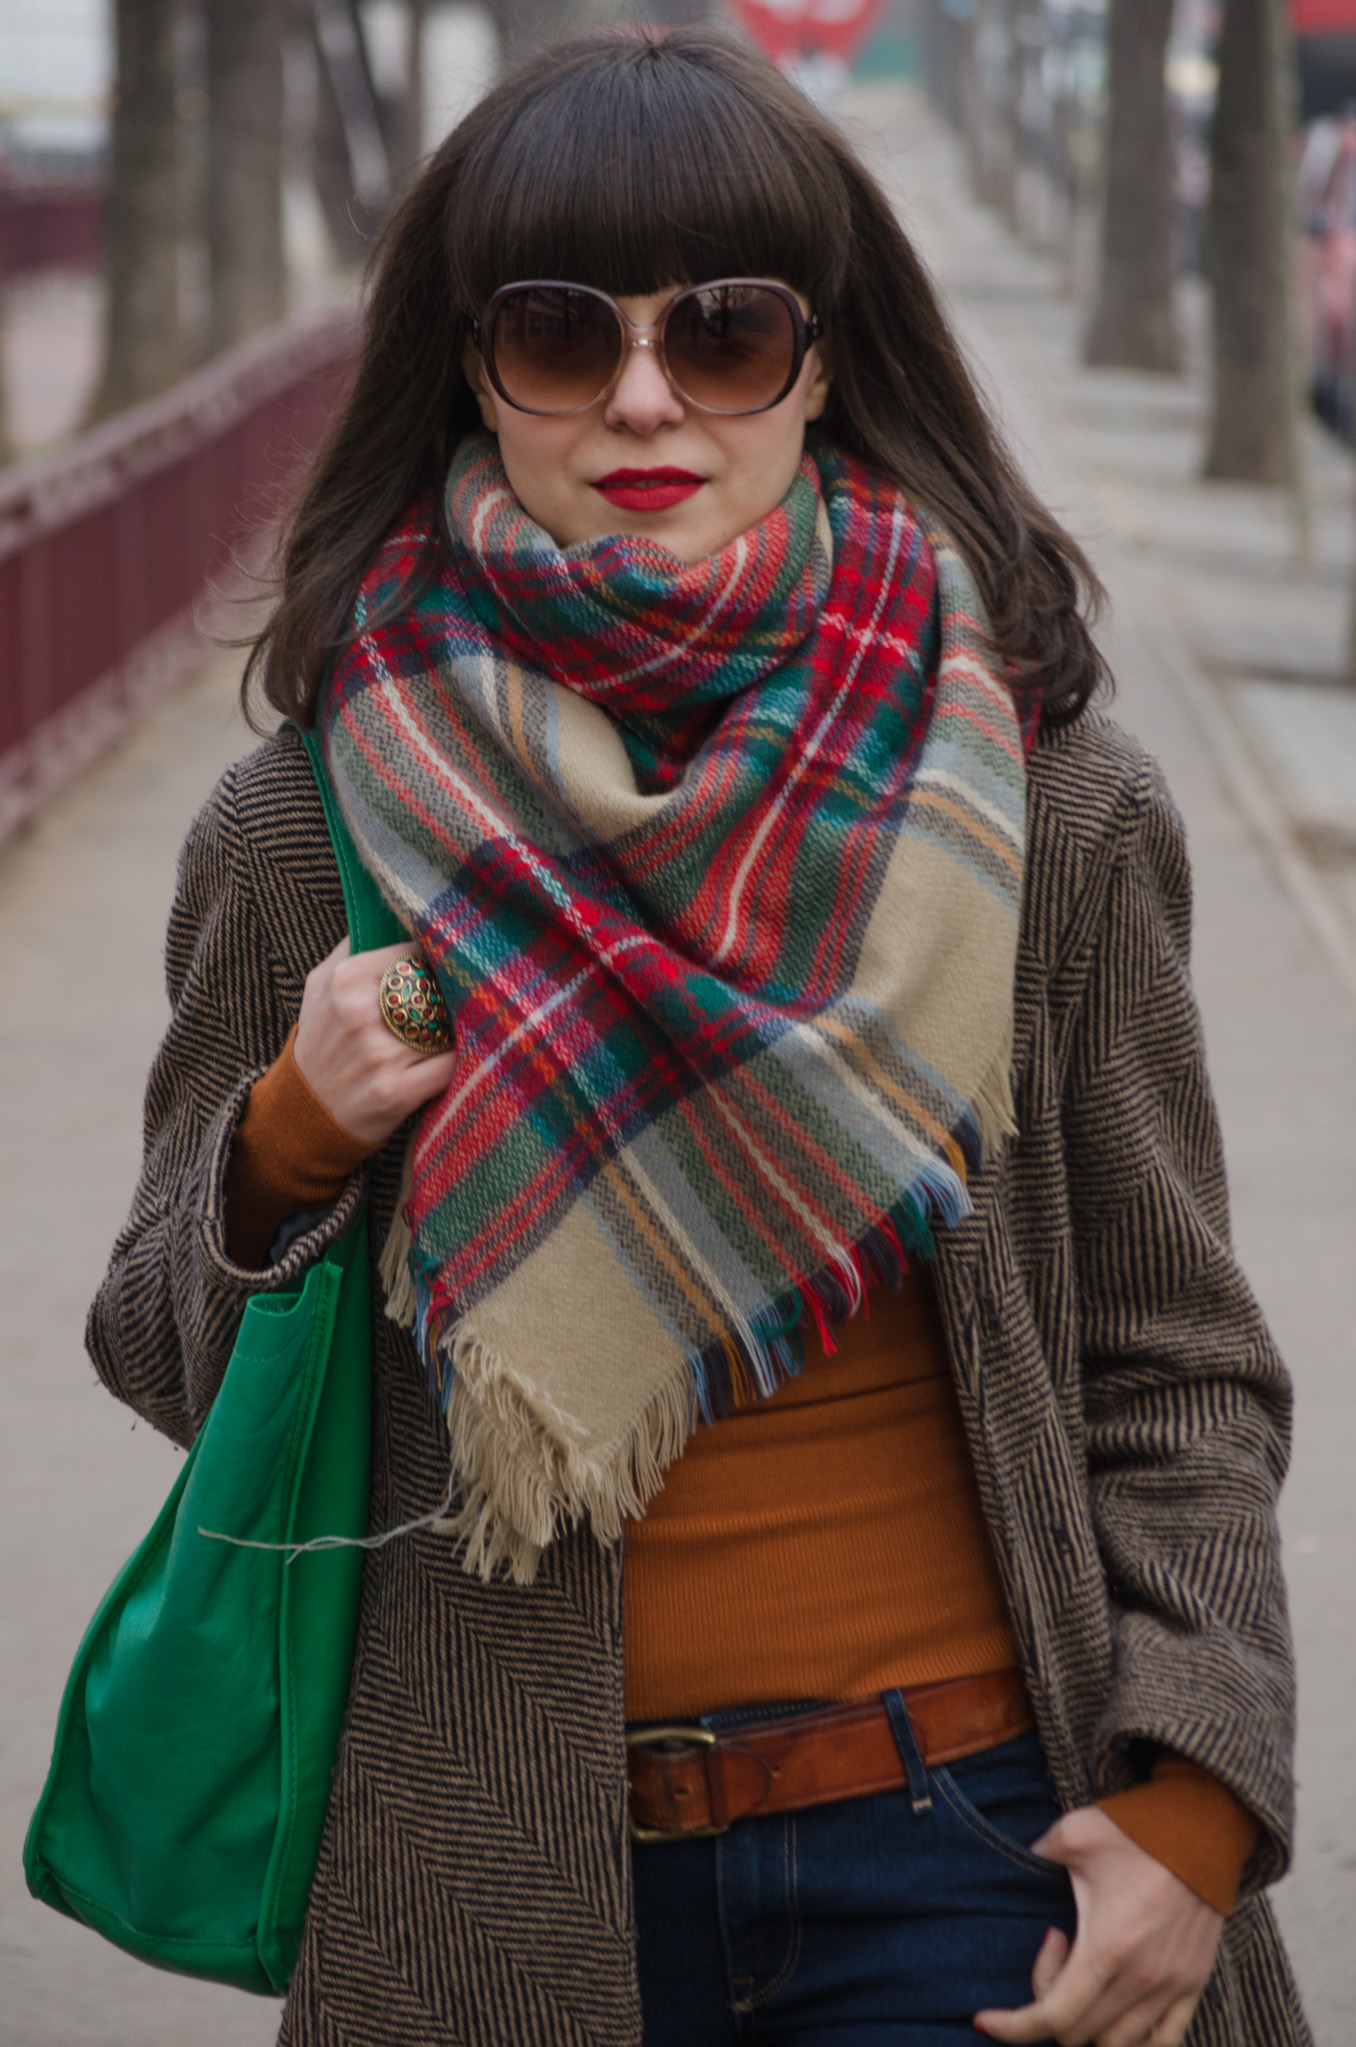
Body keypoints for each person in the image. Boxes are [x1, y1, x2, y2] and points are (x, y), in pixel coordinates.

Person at [87, 26, 1309, 2047]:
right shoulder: (308, 824)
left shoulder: (1043, 807)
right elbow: (156, 1348)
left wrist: (1191, 1799)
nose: (645, 397)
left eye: (726, 329)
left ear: (822, 359)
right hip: (500, 1887)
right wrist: (290, 1136)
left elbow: (1178, 1360)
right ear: (474, 367)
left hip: (974, 1860)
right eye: (563, 334)